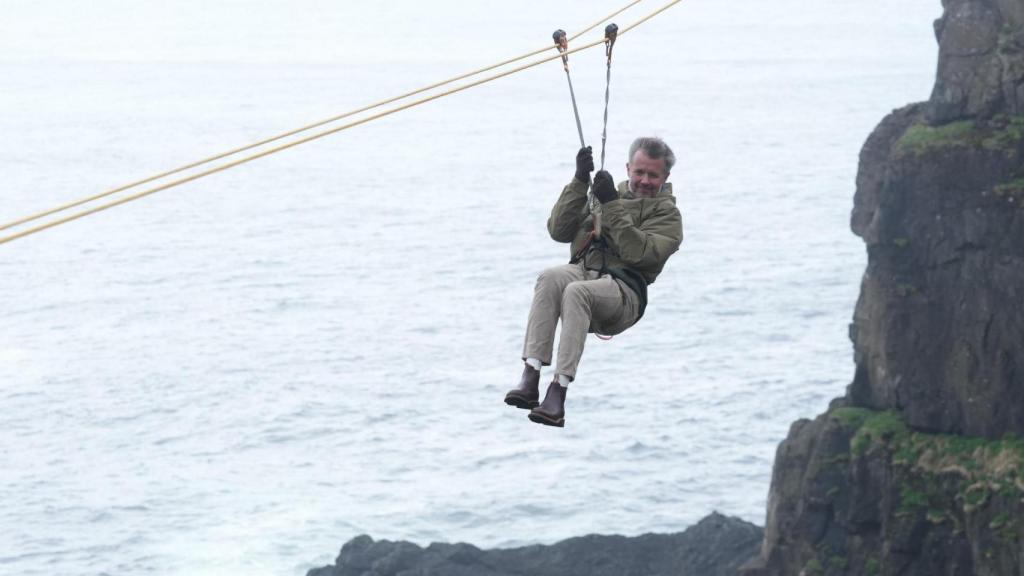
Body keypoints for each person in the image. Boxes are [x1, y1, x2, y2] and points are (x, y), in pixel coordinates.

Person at [504, 136, 684, 427]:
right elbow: (558, 230)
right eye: (639, 172)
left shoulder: (668, 217)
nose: (645, 180)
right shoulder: (603, 193)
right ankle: (531, 374)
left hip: (624, 292)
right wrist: (578, 181)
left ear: (665, 177)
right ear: (628, 168)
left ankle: (558, 392)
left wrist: (612, 204)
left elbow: (636, 253)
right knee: (550, 277)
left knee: (577, 293)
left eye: (653, 175)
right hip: (587, 270)